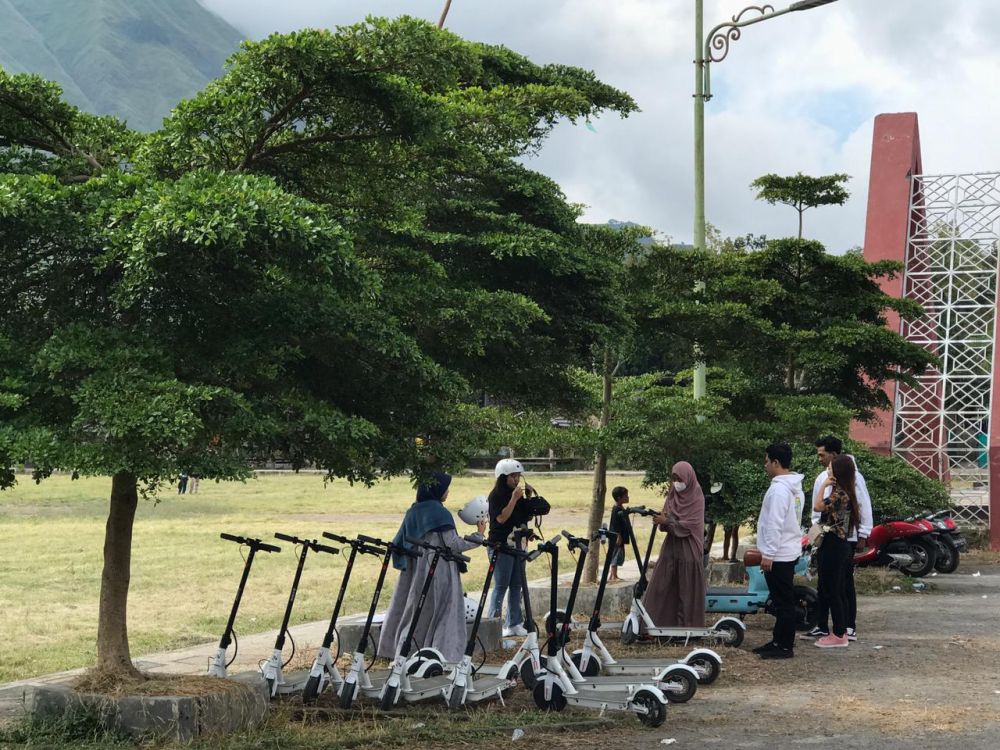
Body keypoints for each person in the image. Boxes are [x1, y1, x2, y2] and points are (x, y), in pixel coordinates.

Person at [377, 472, 487, 663]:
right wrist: (479, 534)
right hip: (439, 570)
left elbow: (400, 542)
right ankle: (443, 654)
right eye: (445, 488)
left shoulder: (414, 511)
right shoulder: (440, 513)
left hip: (415, 570)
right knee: (444, 612)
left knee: (415, 612)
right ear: (437, 490)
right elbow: (453, 545)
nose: (448, 492)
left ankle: (406, 653)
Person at [801, 435, 874, 642]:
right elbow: (817, 511)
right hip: (828, 535)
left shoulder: (852, 479)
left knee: (843, 585)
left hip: (843, 538)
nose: (820, 459)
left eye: (823, 455)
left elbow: (863, 507)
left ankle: (846, 627)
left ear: (834, 456)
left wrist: (863, 534)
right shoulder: (822, 478)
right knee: (825, 584)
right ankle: (823, 625)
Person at [752, 443, 805, 660]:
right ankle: (778, 640)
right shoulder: (793, 487)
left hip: (779, 553)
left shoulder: (779, 490)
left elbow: (774, 524)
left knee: (783, 602)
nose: (765, 465)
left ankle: (784, 646)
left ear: (776, 462)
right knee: (782, 600)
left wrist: (768, 554)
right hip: (788, 549)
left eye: (767, 461)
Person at [641, 462, 706, 628]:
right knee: (661, 586)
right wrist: (661, 520)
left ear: (688, 478)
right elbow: (665, 521)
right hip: (671, 548)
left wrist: (668, 521)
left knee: (687, 592)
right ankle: (654, 626)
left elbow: (689, 525)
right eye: (674, 478)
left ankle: (687, 628)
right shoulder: (672, 495)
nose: (677, 482)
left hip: (689, 549)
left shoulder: (697, 497)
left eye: (680, 478)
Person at [811, 455, 861, 649]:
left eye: (831, 468)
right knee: (835, 589)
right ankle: (839, 631)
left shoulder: (839, 494)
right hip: (839, 545)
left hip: (833, 545)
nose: (828, 471)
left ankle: (839, 633)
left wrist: (823, 485)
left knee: (833, 591)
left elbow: (817, 506)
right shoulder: (845, 492)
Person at [487, 458, 536, 637]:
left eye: (518, 476)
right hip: (501, 546)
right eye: (512, 476)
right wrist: (515, 498)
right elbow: (501, 518)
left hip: (517, 544)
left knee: (517, 584)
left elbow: (524, 517)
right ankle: (493, 624)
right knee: (501, 585)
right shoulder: (496, 496)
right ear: (502, 477)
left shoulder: (516, 495)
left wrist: (527, 498)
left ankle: (514, 622)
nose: (516, 480)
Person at [608, 486, 633, 583]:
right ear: (619, 498)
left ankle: (612, 575)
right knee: (616, 554)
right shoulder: (616, 509)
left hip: (620, 535)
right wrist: (618, 536)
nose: (628, 497)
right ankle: (614, 576)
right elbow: (615, 524)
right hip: (617, 536)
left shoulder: (620, 508)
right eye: (626, 496)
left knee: (618, 553)